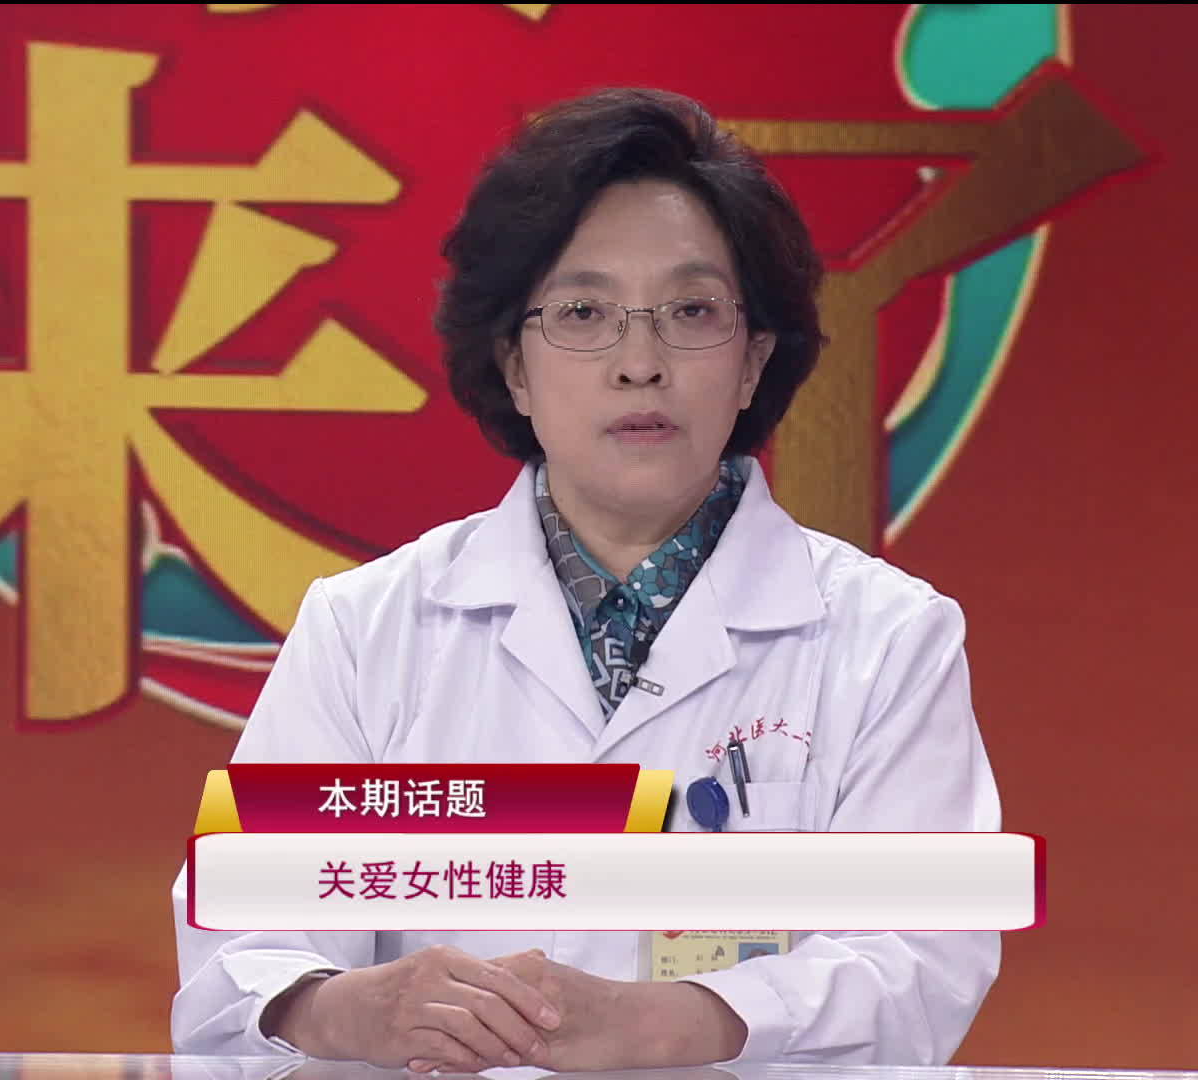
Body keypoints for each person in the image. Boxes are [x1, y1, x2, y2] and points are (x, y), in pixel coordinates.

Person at [171, 87, 1000, 1071]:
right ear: (514, 367)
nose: (639, 363)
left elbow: (926, 958)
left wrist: (671, 1020)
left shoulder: (887, 638)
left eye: (691, 311)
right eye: (583, 313)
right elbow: (240, 947)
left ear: (752, 362)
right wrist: (349, 1006)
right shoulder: (367, 627)